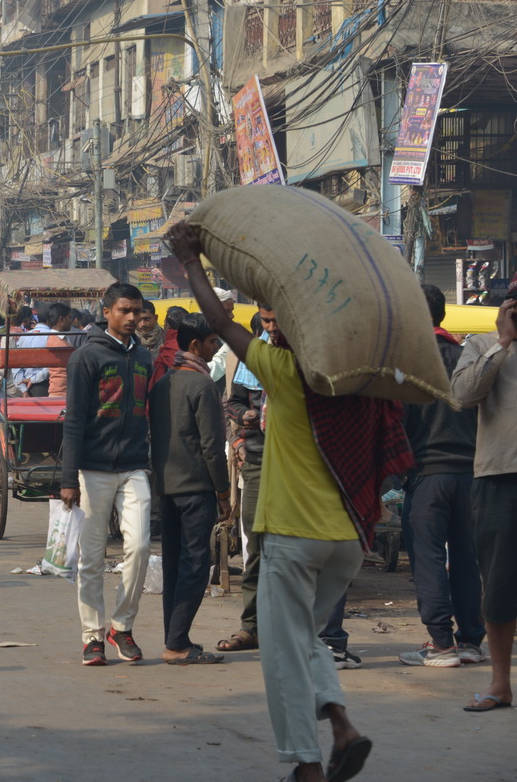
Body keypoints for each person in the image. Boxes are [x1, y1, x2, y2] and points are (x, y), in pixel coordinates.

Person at [170, 222, 403, 782]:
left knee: (279, 654)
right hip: (348, 537)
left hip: (294, 538)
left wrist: (191, 261)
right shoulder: (363, 378)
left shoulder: (285, 371)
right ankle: (342, 726)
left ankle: (306, 766)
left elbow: (221, 321)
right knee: (300, 636)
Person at [58, 282, 153, 666]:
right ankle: (92, 636)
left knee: (141, 545)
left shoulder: (144, 356)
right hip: (93, 468)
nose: (132, 318)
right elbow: (75, 420)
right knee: (92, 558)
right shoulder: (86, 357)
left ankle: (122, 627)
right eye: (125, 311)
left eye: (137, 311)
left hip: (134, 466)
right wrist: (67, 479)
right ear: (108, 311)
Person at [397, 283, 485, 669]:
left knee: (427, 557)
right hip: (472, 475)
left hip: (427, 475)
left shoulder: (406, 363)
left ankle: (440, 643)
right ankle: (470, 640)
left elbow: (395, 422)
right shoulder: (468, 356)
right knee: (466, 558)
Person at [450, 284, 517, 713]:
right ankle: (499, 683)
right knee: (497, 585)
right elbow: (462, 396)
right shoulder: (481, 344)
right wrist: (504, 344)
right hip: (498, 477)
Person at [150, 313, 230, 666]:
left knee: (175, 563)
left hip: (166, 486)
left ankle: (175, 637)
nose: (215, 350)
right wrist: (224, 493)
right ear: (195, 345)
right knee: (196, 565)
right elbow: (213, 447)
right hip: (196, 488)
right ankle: (177, 642)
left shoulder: (163, 383)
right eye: (213, 343)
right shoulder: (202, 385)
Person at [217, 305, 275, 656]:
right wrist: (246, 417)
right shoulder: (253, 356)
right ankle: (251, 626)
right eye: (266, 321)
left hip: (300, 464)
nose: (271, 327)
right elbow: (233, 404)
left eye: (275, 320)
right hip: (258, 460)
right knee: (257, 544)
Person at [44, 304, 75, 396]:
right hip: (61, 393)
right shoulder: (57, 342)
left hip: (62, 391)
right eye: (69, 318)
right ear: (61, 319)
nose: (71, 321)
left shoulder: (60, 339)